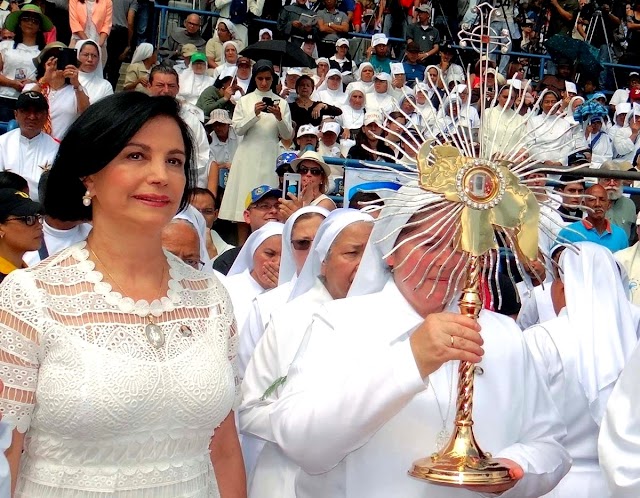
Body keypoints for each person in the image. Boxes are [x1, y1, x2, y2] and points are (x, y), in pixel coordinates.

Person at [0, 92, 246, 497]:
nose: (160, 175)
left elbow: (223, 448)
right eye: (136, 156)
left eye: (174, 161)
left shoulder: (211, 296)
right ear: (88, 175)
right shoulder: (30, 296)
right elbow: (6, 453)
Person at [268, 184, 571, 498]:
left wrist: (512, 469)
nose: (443, 261)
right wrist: (410, 361)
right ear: (390, 253)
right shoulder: (338, 323)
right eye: (428, 243)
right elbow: (301, 443)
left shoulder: (503, 334)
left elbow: (550, 445)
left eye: (458, 246)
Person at [239, 209, 373, 498]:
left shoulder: (389, 320)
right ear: (323, 261)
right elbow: (250, 411)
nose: (363, 265)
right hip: (287, 478)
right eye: (352, 253)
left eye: (372, 253)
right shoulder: (288, 319)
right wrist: (315, 426)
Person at [525, 242, 640, 497]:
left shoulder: (542, 339)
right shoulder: (631, 341)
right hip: (620, 484)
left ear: (566, 286)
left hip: (553, 482)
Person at [218, 60, 293, 237]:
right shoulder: (245, 101)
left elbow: (287, 135)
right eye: (260, 78)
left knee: (268, 204)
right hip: (248, 156)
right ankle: (242, 248)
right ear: (255, 78)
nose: (264, 82)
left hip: (270, 156)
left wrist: (279, 117)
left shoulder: (281, 103)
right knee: (243, 206)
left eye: (268, 78)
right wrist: (254, 114)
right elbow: (238, 129)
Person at [146, 66, 210, 189]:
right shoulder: (137, 116)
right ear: (149, 86)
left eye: (171, 86)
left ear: (178, 88)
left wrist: (174, 168)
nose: (166, 91)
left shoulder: (190, 120)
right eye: (160, 85)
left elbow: (202, 155)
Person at [225, 221, 284, 333]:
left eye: (285, 256)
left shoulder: (292, 294)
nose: (277, 262)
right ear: (253, 252)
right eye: (270, 254)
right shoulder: (227, 288)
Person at [0, 90, 58, 201]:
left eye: (37, 111)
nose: (32, 117)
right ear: (16, 114)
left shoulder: (56, 149)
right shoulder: (2, 144)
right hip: (6, 210)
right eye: (25, 111)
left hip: (41, 211)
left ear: (46, 116)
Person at [211, 185, 283, 275]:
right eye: (264, 206)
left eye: (278, 206)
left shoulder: (298, 253)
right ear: (247, 216)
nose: (274, 210)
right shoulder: (228, 261)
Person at [29, 42, 90, 141]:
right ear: (44, 64)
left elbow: (86, 113)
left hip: (61, 148)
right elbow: (24, 104)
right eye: (52, 59)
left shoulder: (77, 90)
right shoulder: (33, 87)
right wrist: (44, 80)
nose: (56, 64)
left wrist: (76, 84)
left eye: (61, 59)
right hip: (34, 144)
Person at [0, 5, 50, 121]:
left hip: (32, 100)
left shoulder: (45, 51)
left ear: (39, 27)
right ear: (19, 23)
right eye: (26, 19)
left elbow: (49, 78)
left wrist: (33, 83)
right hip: (4, 98)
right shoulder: (5, 46)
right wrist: (12, 83)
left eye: (35, 21)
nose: (30, 23)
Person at [557, 184, 629, 251]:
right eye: (592, 200)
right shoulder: (569, 232)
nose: (597, 204)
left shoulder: (620, 235)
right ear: (584, 204)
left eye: (602, 199)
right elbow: (556, 260)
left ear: (609, 205)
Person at [0, 188, 43, 281]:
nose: (39, 226)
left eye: (38, 217)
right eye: (29, 219)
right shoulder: (5, 282)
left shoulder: (22, 270)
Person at [525, 90, 573, 168]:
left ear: (558, 104)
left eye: (553, 102)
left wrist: (559, 162)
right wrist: (543, 160)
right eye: (547, 102)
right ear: (541, 104)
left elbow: (568, 146)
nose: (550, 105)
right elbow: (530, 144)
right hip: (537, 164)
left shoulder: (565, 123)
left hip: (558, 165)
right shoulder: (533, 121)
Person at [190, 187, 234, 261]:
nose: (201, 217)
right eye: (194, 211)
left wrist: (212, 253)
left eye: (207, 211)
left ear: (216, 215)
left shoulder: (231, 254)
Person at [598, 160, 637, 239]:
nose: (612, 184)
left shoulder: (630, 205)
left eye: (616, 180)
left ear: (622, 182)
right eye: (607, 179)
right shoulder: (590, 202)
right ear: (598, 181)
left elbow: (633, 235)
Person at [103, 0, 137, 90]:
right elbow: (130, 21)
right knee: (114, 69)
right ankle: (110, 93)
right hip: (120, 33)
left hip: (105, 30)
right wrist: (129, 44)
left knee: (103, 65)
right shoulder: (133, 1)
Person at [206, 108, 238, 196]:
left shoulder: (239, 135)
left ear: (228, 124)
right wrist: (223, 166)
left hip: (240, 173)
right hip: (219, 179)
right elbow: (209, 166)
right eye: (215, 125)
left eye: (221, 124)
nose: (218, 128)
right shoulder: (209, 141)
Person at [75, 39, 114, 104]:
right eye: (86, 55)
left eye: (94, 56)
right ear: (77, 56)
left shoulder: (105, 86)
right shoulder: (67, 79)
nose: (90, 59)